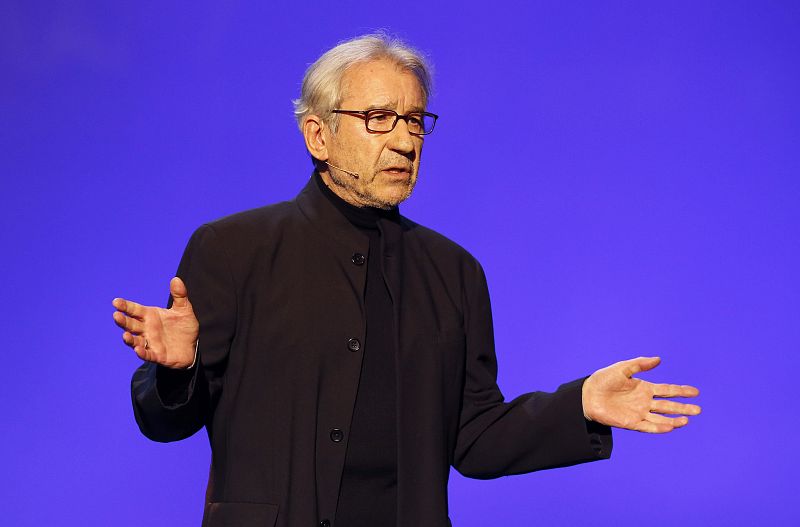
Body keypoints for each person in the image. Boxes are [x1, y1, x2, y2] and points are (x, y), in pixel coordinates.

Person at [112, 33, 701, 527]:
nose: (403, 139)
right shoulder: (233, 248)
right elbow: (165, 423)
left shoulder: (453, 272)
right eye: (377, 118)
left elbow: (473, 437)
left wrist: (580, 407)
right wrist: (177, 370)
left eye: (415, 120)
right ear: (319, 135)